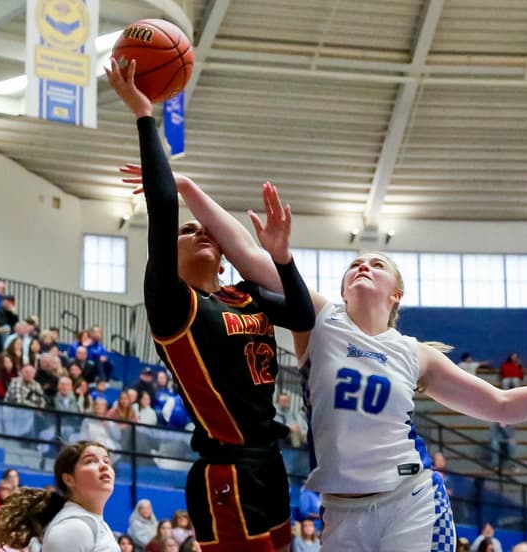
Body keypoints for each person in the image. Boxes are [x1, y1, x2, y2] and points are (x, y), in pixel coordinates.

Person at [139, 126, 527, 552]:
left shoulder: (415, 354)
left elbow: (501, 405)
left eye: (376, 264)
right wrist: (187, 187)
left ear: (396, 294)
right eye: (354, 263)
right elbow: (246, 253)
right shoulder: (321, 321)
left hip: (408, 499)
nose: (362, 266)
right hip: (342, 511)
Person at [106, 57, 316, 552]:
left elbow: (303, 315)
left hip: (270, 462)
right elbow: (161, 209)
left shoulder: (245, 295)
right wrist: (143, 114)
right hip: (225, 468)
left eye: (208, 232)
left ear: (224, 257)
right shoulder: (173, 306)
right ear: (166, 256)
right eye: (187, 230)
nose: (199, 231)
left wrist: (280, 257)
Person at [0, 441, 119, 551]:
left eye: (107, 461)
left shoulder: (95, 524)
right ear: (69, 479)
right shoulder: (74, 527)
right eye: (90, 461)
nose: (104, 466)